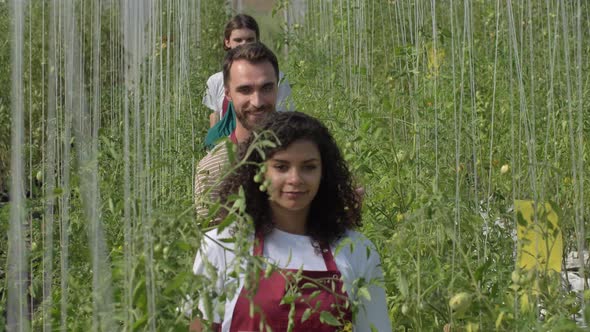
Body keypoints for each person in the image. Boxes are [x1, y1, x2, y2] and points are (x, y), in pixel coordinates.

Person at [191, 112, 392, 332]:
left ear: (324, 173)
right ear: (259, 170)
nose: (295, 179)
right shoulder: (223, 246)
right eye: (281, 166)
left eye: (309, 167)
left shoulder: (356, 251)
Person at [194, 42, 280, 217]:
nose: (257, 101)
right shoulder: (212, 169)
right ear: (228, 94)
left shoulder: (303, 154)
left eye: (267, 88)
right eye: (245, 90)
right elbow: (214, 241)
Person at [203, 14, 293, 148]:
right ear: (227, 42)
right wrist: (214, 144)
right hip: (231, 144)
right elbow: (215, 115)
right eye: (238, 40)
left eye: (250, 39)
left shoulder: (276, 76)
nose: (244, 44)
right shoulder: (215, 81)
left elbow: (285, 114)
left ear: (257, 40)